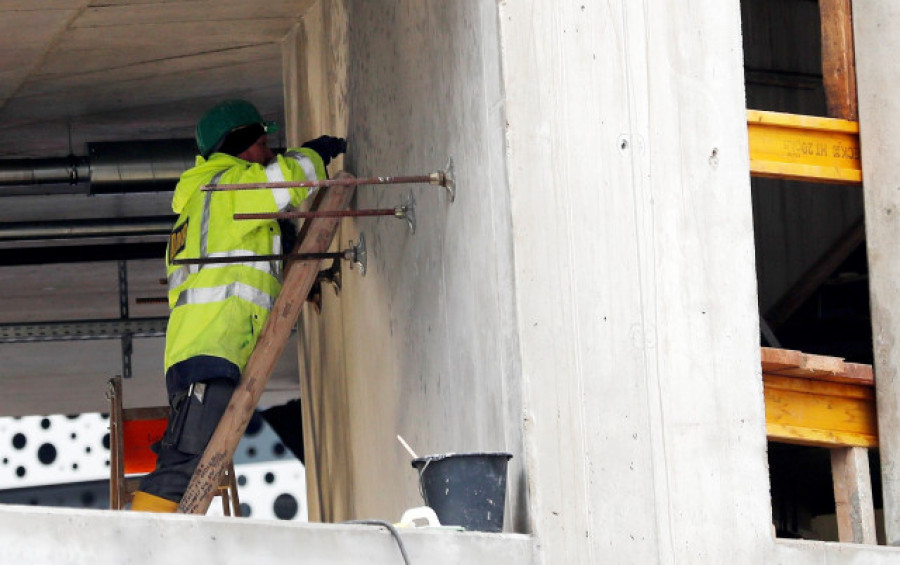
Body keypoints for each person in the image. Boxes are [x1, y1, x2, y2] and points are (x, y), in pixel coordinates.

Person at [130, 99, 345, 512]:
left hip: (202, 352)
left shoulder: (200, 203)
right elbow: (288, 179)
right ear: (241, 146)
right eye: (264, 144)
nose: (269, 153)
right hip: (211, 352)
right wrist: (315, 152)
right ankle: (137, 548)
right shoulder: (228, 188)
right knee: (184, 467)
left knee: (191, 466)